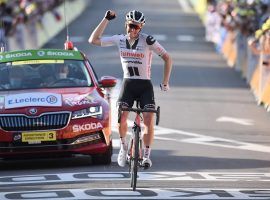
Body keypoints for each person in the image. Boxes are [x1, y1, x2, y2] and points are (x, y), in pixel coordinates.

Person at [88, 10, 172, 169]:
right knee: (122, 115)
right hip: (129, 85)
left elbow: (167, 58)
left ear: (141, 28)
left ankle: (146, 155)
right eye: (131, 26)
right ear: (126, 25)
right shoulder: (119, 39)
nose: (133, 30)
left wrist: (165, 82)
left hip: (144, 85)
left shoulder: (148, 41)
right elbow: (93, 39)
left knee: (148, 119)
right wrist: (106, 19)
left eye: (137, 27)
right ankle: (123, 147)